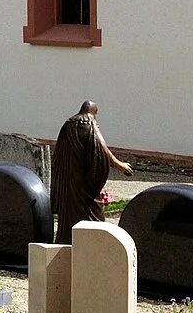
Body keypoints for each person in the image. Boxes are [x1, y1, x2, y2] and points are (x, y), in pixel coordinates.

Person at [51, 99, 132, 242]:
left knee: (69, 214)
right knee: (93, 214)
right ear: (94, 112)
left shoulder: (68, 124)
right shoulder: (88, 124)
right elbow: (101, 149)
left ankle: (67, 240)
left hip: (68, 181)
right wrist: (119, 165)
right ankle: (93, 243)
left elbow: (58, 155)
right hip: (84, 183)